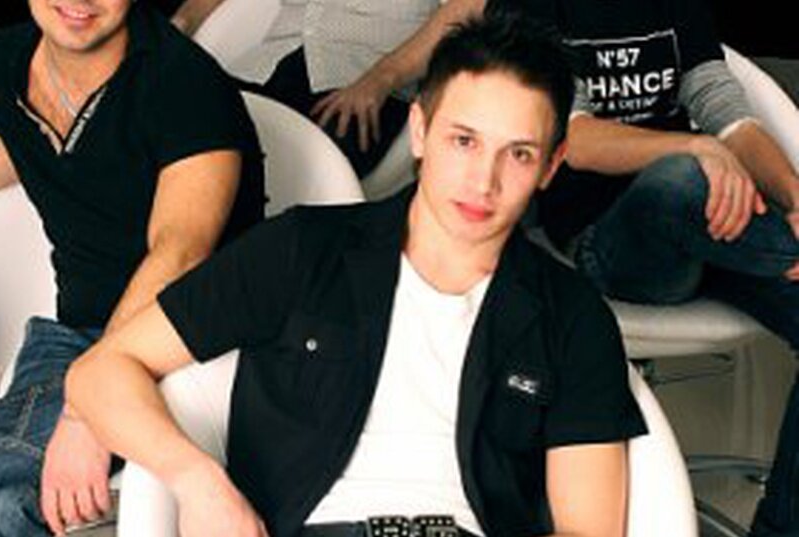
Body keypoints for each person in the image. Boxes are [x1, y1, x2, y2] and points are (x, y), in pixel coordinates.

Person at [66, 13, 647, 537]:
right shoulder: (304, 249)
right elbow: (100, 371)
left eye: (518, 153)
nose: (483, 181)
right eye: (463, 141)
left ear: (551, 165)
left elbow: (588, 530)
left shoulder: (572, 315)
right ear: (420, 130)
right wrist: (199, 483)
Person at [0, 0, 264, 535]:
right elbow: (16, 133)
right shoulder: (1, 61)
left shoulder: (184, 84)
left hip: (189, 341)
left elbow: (179, 252)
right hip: (75, 332)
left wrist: (88, 408)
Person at [482, 0, 799, 535]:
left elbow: (728, 115)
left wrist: (794, 198)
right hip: (605, 242)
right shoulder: (532, 7)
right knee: (682, 178)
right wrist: (698, 147)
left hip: (711, 229)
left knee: (692, 181)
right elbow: (575, 139)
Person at [171, 0, 485, 177]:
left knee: (277, 173)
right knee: (181, 133)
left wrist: (381, 79)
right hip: (264, 66)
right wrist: (179, 25)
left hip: (360, 82)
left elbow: (468, 8)